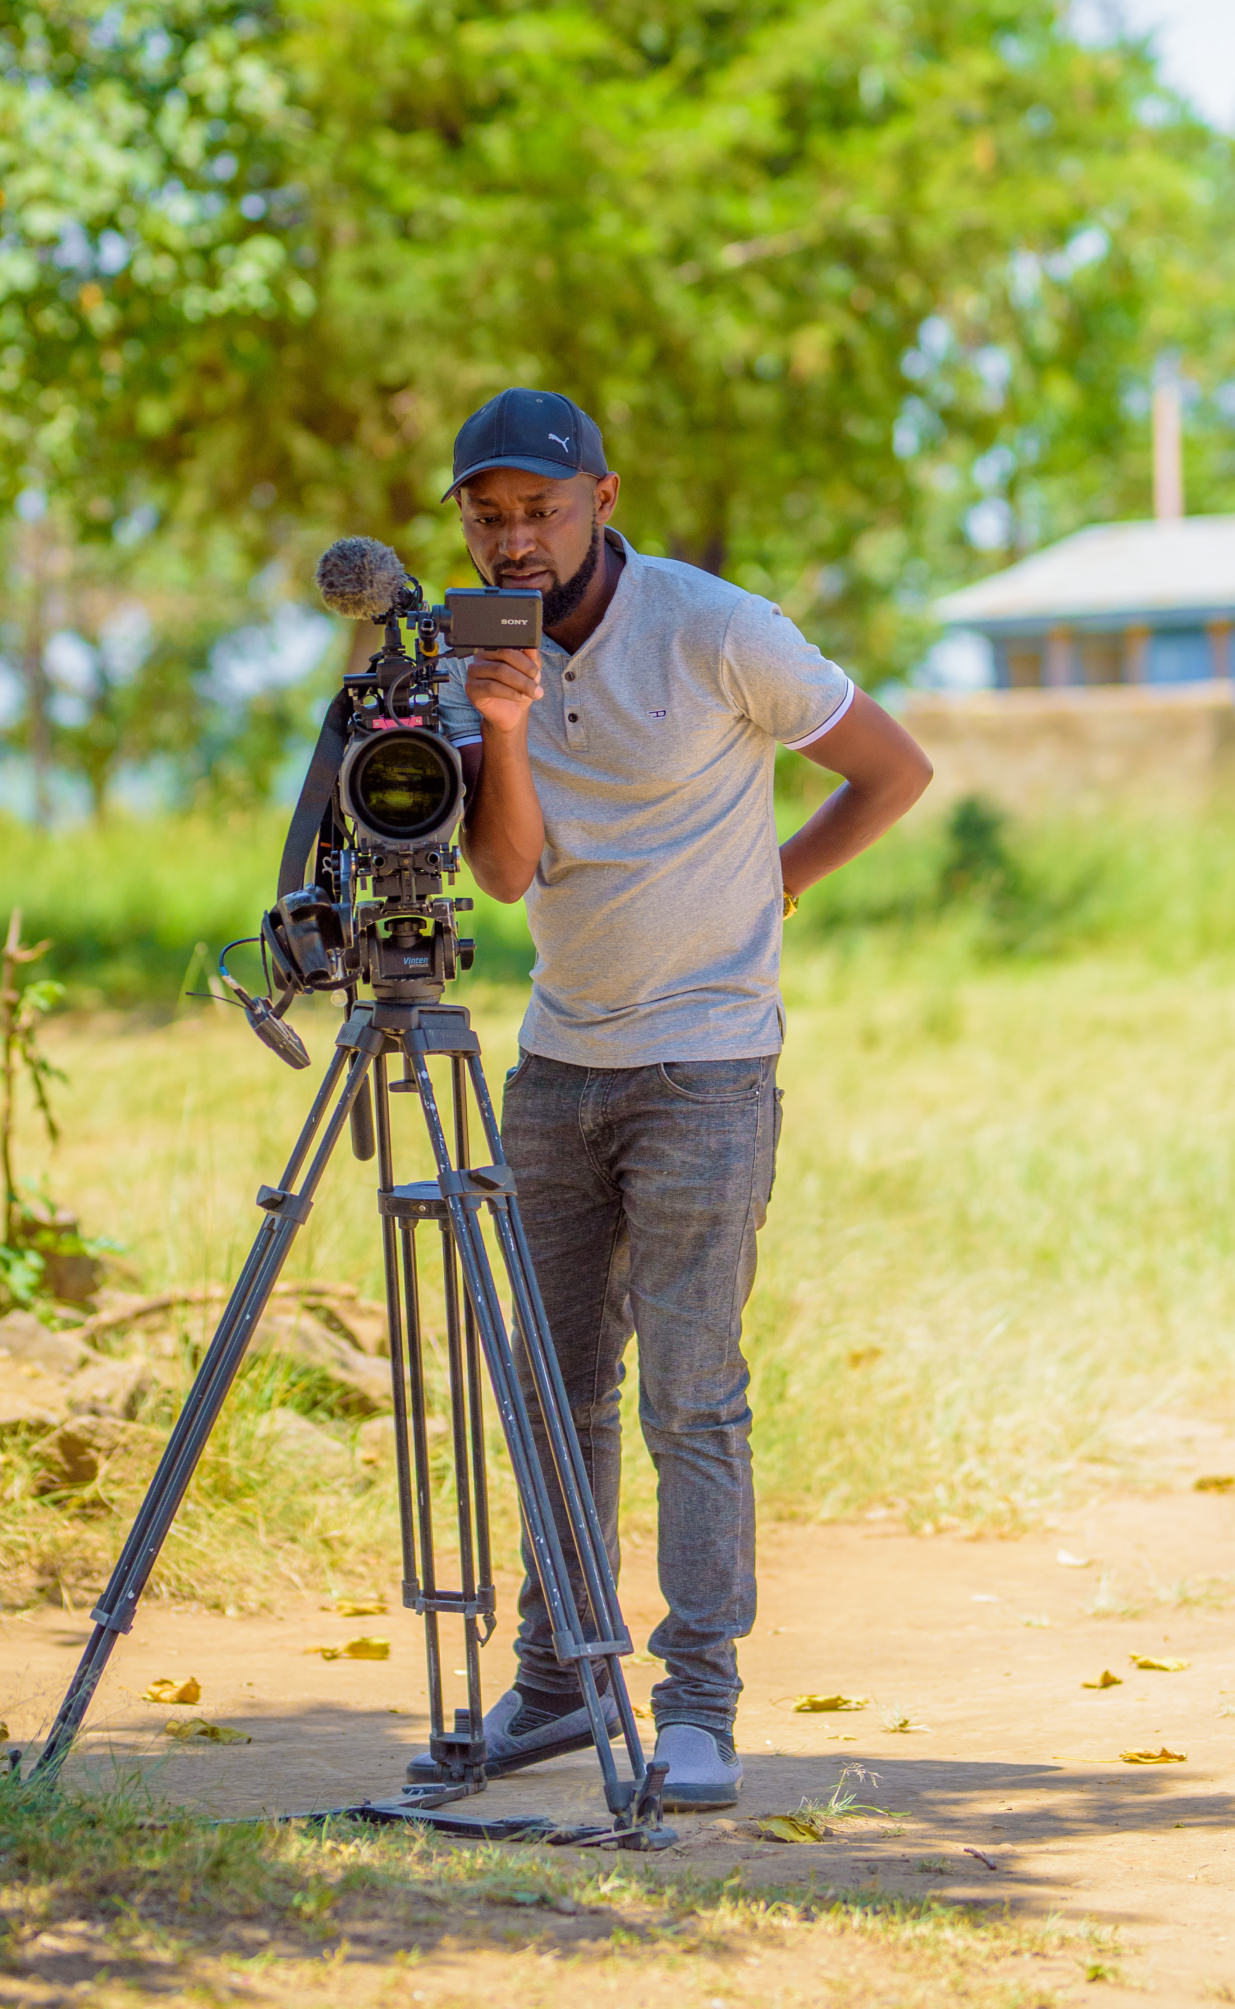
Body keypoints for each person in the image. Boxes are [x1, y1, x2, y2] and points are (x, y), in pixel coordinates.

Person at [411, 387, 932, 1811]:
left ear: (602, 500)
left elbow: (892, 769)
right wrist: (501, 728)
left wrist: (772, 887)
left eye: (540, 510)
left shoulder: (715, 628)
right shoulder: (470, 662)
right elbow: (508, 876)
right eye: (488, 514)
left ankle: (698, 1701)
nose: (514, 539)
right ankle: (558, 1684)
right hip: (557, 1059)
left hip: (706, 1063)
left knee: (689, 1394)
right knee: (553, 1391)